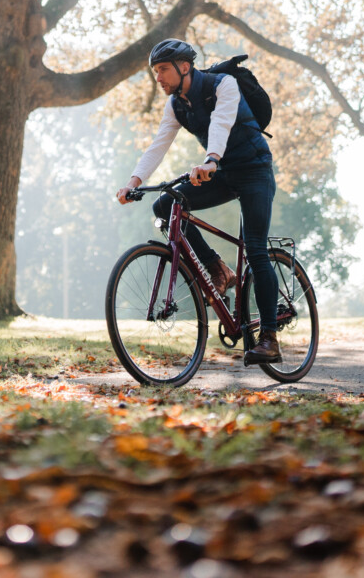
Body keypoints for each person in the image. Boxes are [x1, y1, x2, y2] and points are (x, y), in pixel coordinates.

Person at [116, 38, 281, 364]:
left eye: (163, 69)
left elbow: (221, 123)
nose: (158, 77)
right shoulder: (176, 105)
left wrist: (211, 159)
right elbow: (158, 145)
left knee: (256, 249)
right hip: (220, 172)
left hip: (254, 171)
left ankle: (270, 339)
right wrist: (133, 182)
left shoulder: (224, 84)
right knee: (164, 205)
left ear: (184, 67)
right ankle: (216, 268)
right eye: (155, 72)